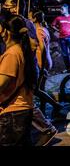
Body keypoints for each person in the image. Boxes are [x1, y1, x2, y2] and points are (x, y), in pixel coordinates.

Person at [1, 0, 58, 146]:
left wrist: (40, 65)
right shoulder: (11, 31)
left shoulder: (24, 27)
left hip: (26, 69)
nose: (8, 8)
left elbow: (36, 46)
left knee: (30, 96)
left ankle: (47, 125)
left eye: (11, 5)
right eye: (6, 5)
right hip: (17, 78)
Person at [0, 15, 37, 146]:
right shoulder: (22, 50)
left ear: (6, 32)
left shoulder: (11, 54)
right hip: (22, 109)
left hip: (12, 113)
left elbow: (1, 85)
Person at [30, 10, 63, 115]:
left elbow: (43, 49)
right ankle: (43, 111)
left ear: (34, 19)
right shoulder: (43, 29)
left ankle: (56, 105)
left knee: (36, 90)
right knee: (41, 89)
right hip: (44, 60)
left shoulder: (39, 31)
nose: (28, 19)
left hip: (41, 61)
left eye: (30, 17)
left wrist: (43, 66)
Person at [51, 4, 70, 70]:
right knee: (65, 54)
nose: (60, 11)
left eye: (62, 9)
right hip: (62, 38)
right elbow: (52, 25)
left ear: (66, 9)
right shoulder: (58, 18)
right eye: (60, 9)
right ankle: (68, 68)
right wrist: (58, 30)